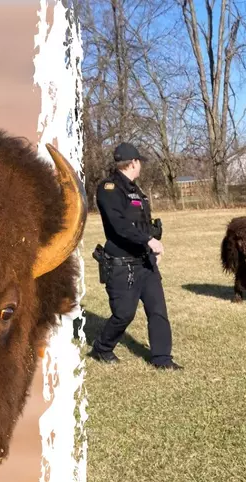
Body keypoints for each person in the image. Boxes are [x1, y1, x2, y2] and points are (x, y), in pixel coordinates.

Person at [88, 142, 182, 370]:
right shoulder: (108, 189)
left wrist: (151, 245)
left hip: (144, 262)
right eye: (140, 162)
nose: (141, 167)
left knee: (157, 310)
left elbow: (141, 224)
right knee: (124, 315)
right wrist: (148, 241)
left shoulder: (135, 190)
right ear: (133, 163)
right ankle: (102, 348)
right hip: (123, 265)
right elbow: (119, 225)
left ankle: (162, 358)